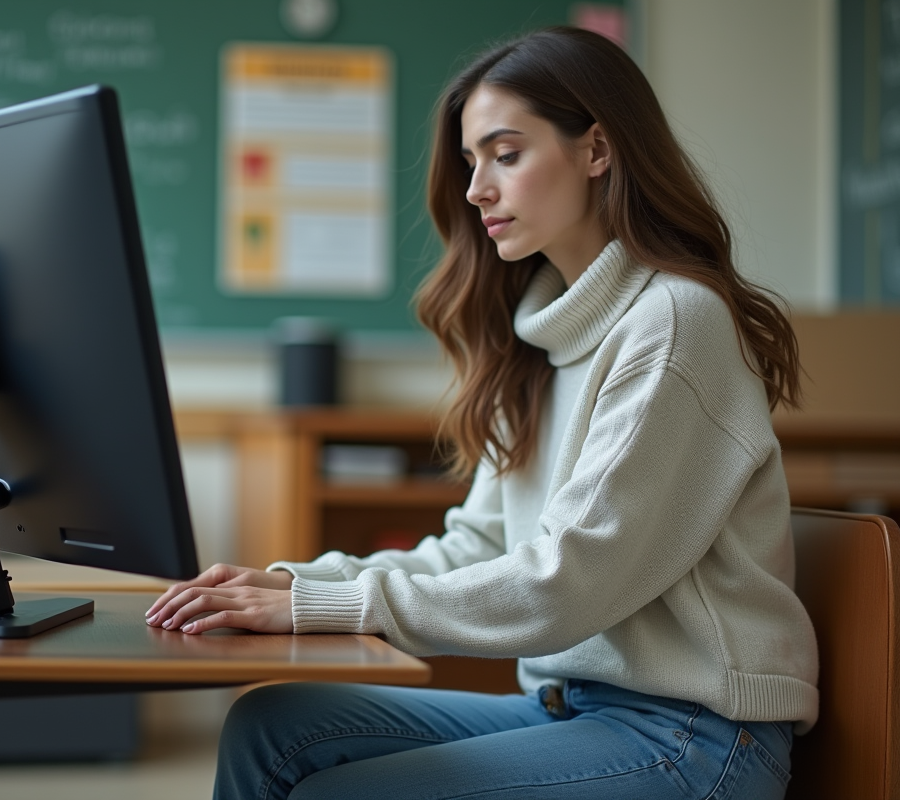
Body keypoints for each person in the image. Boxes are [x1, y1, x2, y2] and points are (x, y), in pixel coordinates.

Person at [145, 26, 819, 799]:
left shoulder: (672, 324)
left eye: (506, 154)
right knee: (270, 728)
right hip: (568, 708)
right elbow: (476, 545)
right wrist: (289, 585)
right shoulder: (540, 334)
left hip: (694, 738)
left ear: (597, 149)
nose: (476, 190)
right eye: (471, 163)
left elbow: (568, 583)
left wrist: (321, 607)